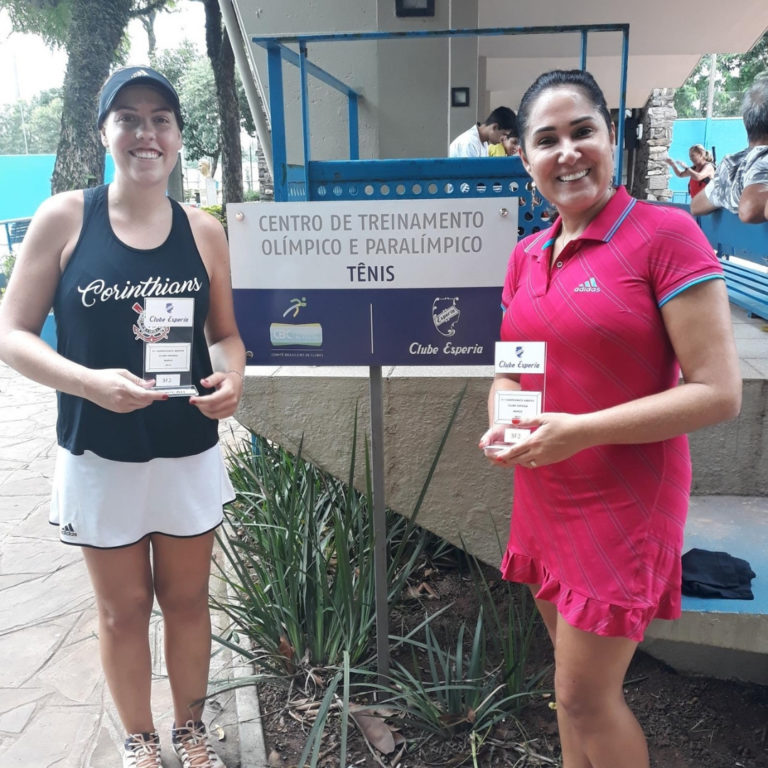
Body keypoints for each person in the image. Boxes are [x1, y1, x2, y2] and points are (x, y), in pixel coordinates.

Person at [478, 69, 741, 768]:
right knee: (570, 695)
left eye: (582, 131)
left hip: (626, 498)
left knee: (586, 696)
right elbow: (510, 369)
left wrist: (580, 430)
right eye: (547, 140)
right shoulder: (526, 255)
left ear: (611, 138)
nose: (567, 152)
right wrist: (505, 418)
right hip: (544, 489)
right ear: (525, 158)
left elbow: (719, 391)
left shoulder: (664, 234)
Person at [0, 66, 245, 768]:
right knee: (122, 609)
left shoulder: (203, 232)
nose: (146, 133)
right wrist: (88, 384)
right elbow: (11, 333)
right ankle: (139, 737)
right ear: (104, 131)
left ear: (178, 136)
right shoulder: (64, 219)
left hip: (185, 448)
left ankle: (190, 730)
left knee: (188, 601)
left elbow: (226, 335)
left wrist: (232, 378)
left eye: (161, 118)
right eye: (129, 118)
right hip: (99, 451)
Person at [691, 76, 768, 223]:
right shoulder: (764, 159)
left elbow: (696, 205)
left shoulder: (732, 165)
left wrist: (729, 195)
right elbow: (749, 208)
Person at [449, 106, 517, 157]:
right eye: (504, 134)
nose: (503, 139)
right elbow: (469, 171)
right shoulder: (469, 143)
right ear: (495, 127)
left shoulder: (483, 143)